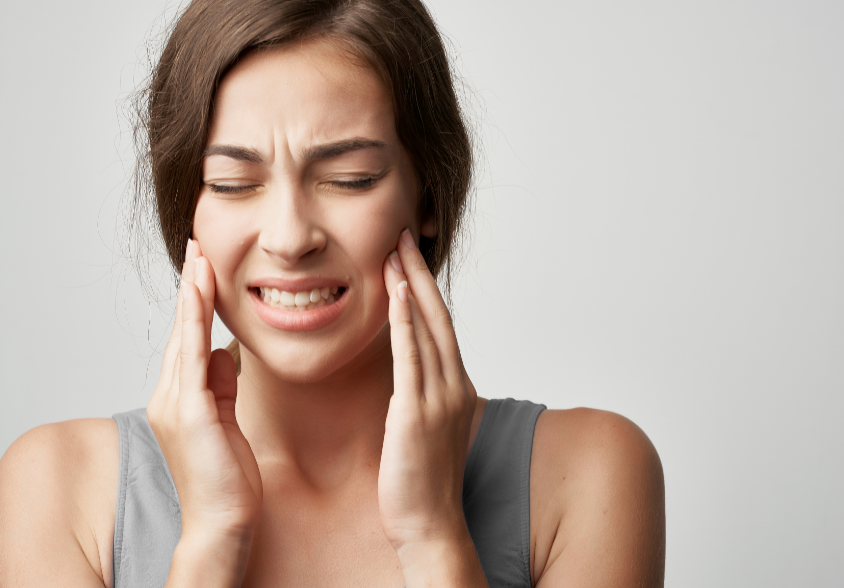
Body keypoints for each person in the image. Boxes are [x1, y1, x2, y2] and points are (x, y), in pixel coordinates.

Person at [0, 0, 665, 586]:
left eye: (349, 178)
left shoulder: (587, 476)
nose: (290, 238)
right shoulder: (60, 489)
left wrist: (435, 539)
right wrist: (210, 542)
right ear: (187, 211)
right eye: (233, 183)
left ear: (427, 194)